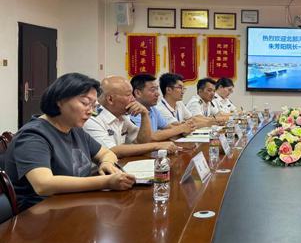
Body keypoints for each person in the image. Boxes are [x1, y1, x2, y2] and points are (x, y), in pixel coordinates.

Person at [4, 73, 136, 211]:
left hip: (74, 204)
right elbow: (43, 184)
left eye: (94, 106)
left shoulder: (74, 130)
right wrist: (106, 181)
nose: (91, 111)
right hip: (40, 213)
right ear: (59, 100)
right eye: (85, 103)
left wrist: (106, 163)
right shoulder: (33, 136)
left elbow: (107, 153)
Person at [84, 76, 177, 157]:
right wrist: (157, 146)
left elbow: (142, 141)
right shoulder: (92, 119)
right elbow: (111, 150)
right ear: (110, 99)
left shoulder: (122, 116)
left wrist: (144, 115)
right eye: (128, 95)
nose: (133, 99)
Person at [129, 73, 196, 139]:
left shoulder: (153, 109)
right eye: (152, 90)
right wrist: (181, 128)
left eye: (157, 89)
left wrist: (185, 128)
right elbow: (148, 137)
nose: (158, 94)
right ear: (138, 93)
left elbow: (169, 127)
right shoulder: (133, 111)